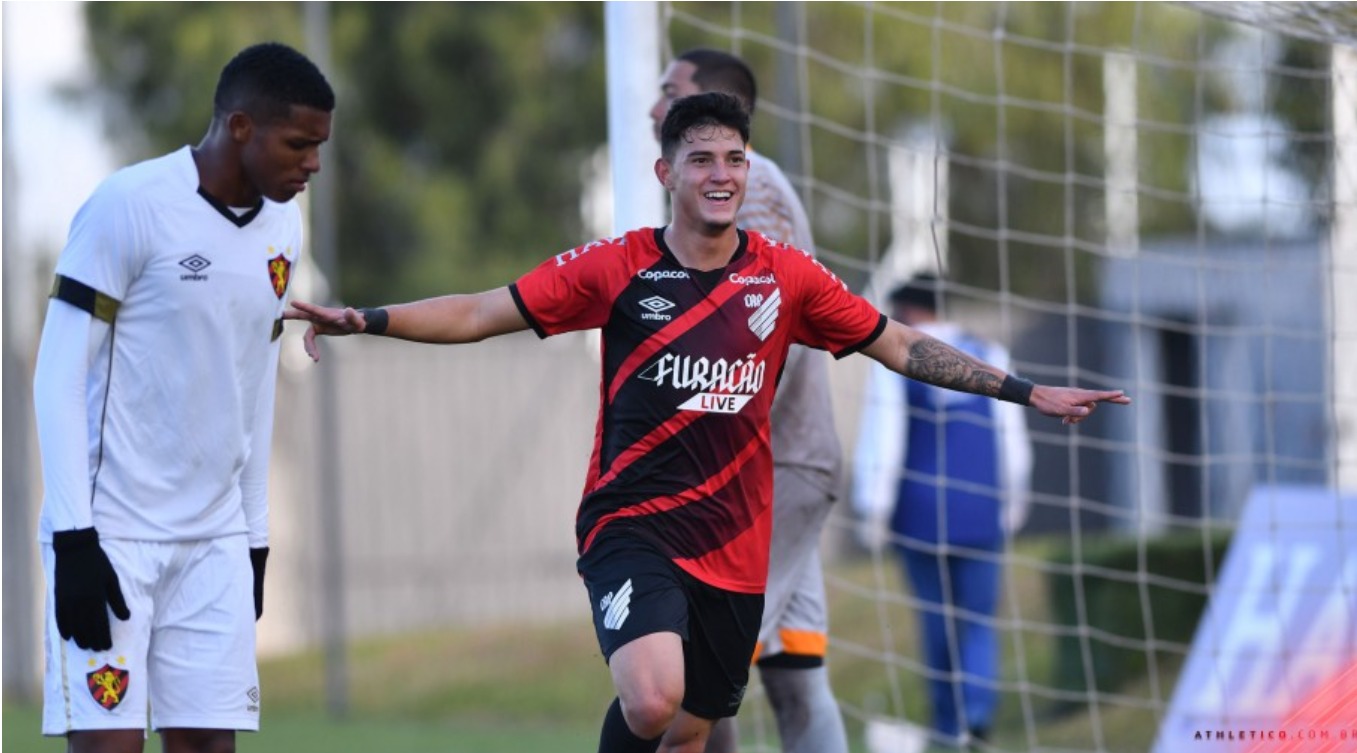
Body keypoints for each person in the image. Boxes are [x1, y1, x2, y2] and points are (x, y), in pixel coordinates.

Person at [284, 91, 1128, 753]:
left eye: (733, 157)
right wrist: (366, 318)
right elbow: (479, 310)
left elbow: (897, 344)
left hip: (733, 546)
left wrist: (1025, 392)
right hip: (632, 526)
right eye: (701, 159)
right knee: (650, 697)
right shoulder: (613, 268)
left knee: (689, 729)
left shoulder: (786, 278)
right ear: (667, 174)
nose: (721, 173)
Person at [32, 42, 333, 753]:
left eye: (319, 146)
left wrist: (253, 538)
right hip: (112, 536)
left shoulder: (282, 228)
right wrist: (74, 537)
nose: (313, 164)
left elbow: (253, 384)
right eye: (298, 143)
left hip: (214, 541)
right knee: (110, 747)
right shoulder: (130, 205)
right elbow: (56, 372)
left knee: (207, 745)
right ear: (238, 127)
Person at [647, 49, 848, 753]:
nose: (652, 106)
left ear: (713, 107)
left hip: (766, 470)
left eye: (669, 92)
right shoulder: (727, 186)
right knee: (794, 677)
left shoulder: (749, 187)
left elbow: (775, 327)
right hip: (781, 463)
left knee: (696, 673)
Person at [852, 274, 1034, 748]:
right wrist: (1014, 500)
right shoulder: (990, 354)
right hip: (981, 507)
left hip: (921, 512)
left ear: (907, 313)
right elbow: (1011, 438)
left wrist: (872, 509)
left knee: (936, 621)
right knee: (977, 620)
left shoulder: (895, 359)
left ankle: (948, 722)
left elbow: (884, 439)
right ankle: (976, 717)